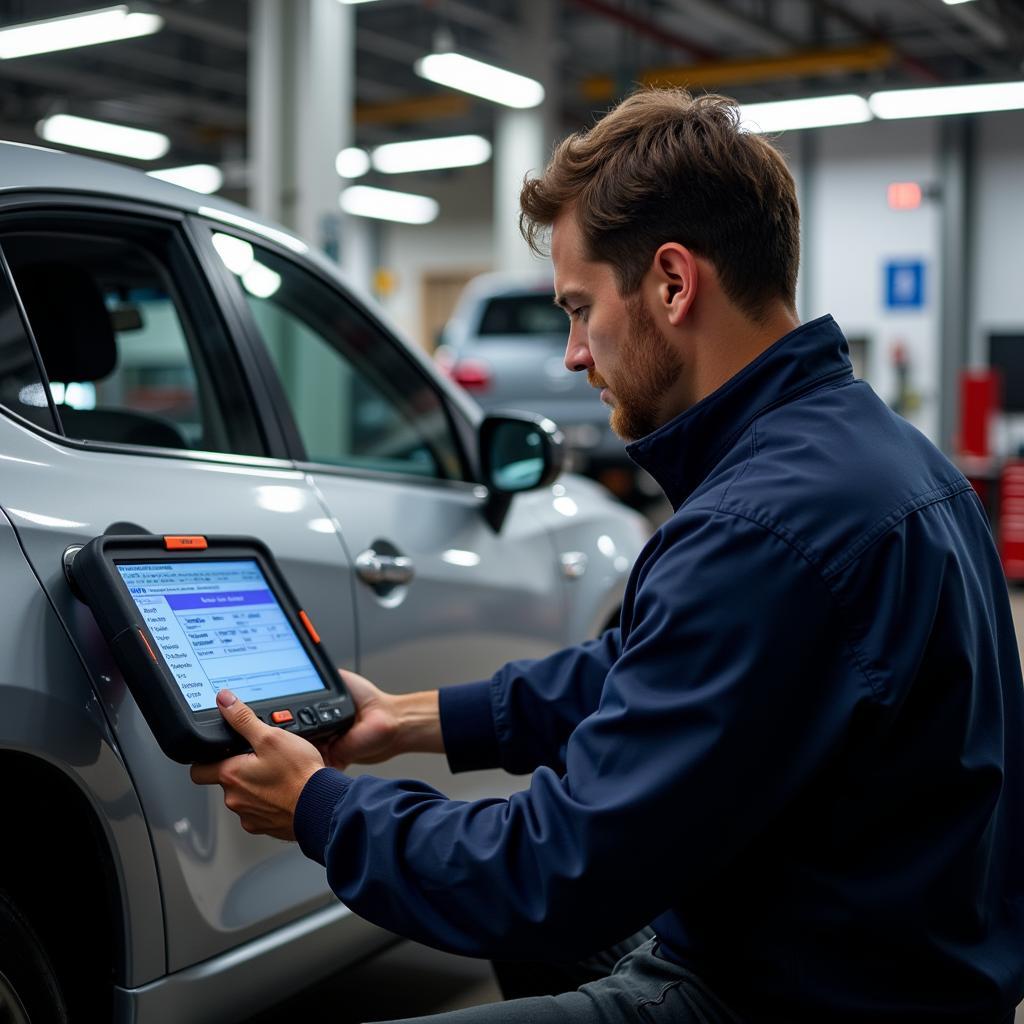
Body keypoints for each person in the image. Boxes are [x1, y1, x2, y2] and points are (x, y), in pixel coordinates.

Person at [191, 89, 1024, 1023]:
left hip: (788, 994)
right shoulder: (885, 455)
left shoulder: (759, 528)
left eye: (581, 310)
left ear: (672, 283)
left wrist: (320, 808)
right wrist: (413, 720)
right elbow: (658, 677)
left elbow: (551, 871)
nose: (575, 356)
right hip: (888, 960)